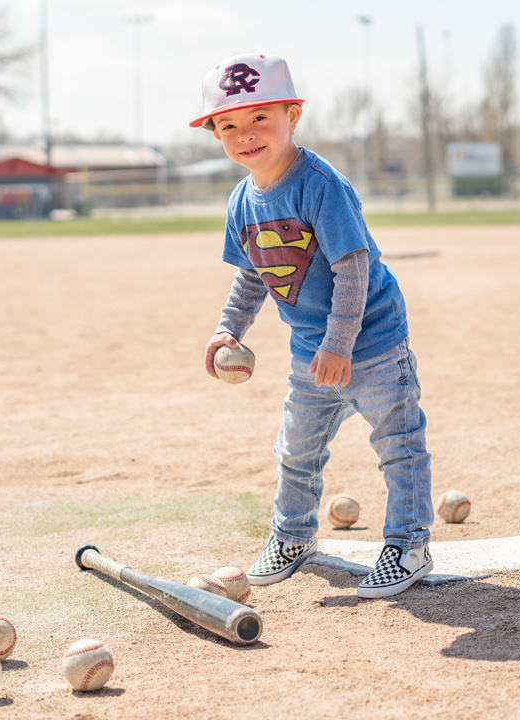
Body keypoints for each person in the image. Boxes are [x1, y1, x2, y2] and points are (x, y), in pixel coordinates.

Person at [192, 53, 435, 598]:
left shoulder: (321, 185)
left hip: (369, 339)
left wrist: (338, 343)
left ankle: (408, 544)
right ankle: (294, 535)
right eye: (228, 124)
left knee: (399, 444)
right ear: (215, 135)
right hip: (312, 351)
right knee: (296, 450)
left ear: (293, 114)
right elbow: (253, 274)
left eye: (260, 117)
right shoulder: (241, 202)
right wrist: (227, 329)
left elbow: (354, 268)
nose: (245, 134)